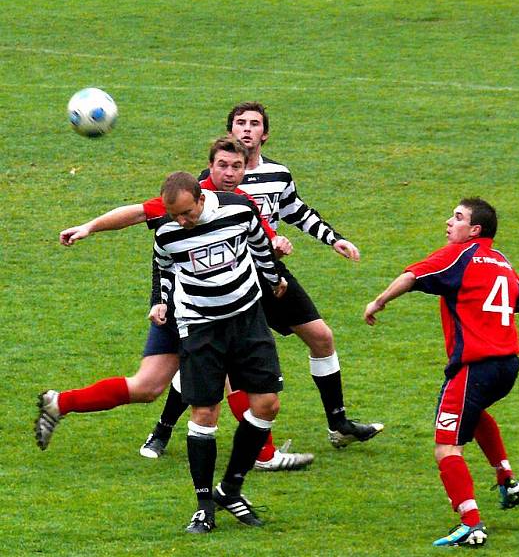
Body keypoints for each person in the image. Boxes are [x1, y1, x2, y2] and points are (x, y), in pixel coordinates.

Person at [38, 137, 313, 471]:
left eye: (236, 166)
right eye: (222, 165)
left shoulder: (238, 205)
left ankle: (59, 402)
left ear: (247, 167)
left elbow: (261, 239)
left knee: (149, 386)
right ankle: (262, 457)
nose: (229, 173)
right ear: (208, 168)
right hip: (189, 313)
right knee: (195, 381)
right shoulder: (180, 201)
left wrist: (277, 246)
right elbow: (137, 215)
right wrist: (90, 227)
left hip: (201, 308)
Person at [363, 198, 519, 548]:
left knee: (446, 446)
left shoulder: (460, 254)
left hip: (475, 366)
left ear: (475, 231)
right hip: (508, 365)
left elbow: (412, 276)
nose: (448, 223)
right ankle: (506, 477)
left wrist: (379, 302)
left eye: (457, 218)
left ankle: (471, 523)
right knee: (474, 413)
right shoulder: (502, 260)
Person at [219, 101, 383, 448]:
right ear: (230, 130)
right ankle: (168, 429)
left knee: (321, 337)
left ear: (265, 133)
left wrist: (333, 239)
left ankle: (338, 424)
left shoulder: (278, 174)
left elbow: (297, 211)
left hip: (271, 273)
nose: (247, 129)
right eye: (240, 123)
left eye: (254, 124)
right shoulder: (216, 179)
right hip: (232, 279)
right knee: (227, 363)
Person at [151, 171, 286, 532]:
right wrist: (160, 301)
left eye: (186, 213)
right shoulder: (167, 233)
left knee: (267, 404)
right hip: (199, 325)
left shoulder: (239, 210)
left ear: (200, 198)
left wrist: (274, 278)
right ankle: (203, 505)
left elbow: (260, 246)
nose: (181, 221)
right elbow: (164, 268)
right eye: (174, 215)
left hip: (247, 317)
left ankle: (230, 488)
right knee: (205, 411)